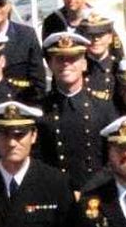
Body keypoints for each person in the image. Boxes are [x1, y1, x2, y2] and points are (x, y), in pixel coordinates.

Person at [36, 32, 118, 191]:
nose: (66, 64)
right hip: (54, 192)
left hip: (96, 193)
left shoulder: (103, 108)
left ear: (84, 64)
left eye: (73, 59)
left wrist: (88, 190)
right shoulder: (40, 110)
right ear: (50, 64)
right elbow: (36, 159)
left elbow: (113, 159)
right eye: (60, 59)